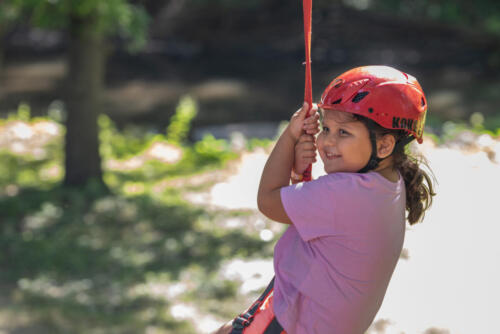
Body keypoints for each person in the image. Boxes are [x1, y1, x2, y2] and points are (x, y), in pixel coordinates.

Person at [213, 65, 436, 334]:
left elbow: (268, 200)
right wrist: (297, 174)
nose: (326, 142)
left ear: (386, 145)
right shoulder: (390, 184)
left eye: (343, 133)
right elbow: (322, 230)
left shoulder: (345, 193)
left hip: (290, 322)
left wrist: (290, 136)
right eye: (326, 128)